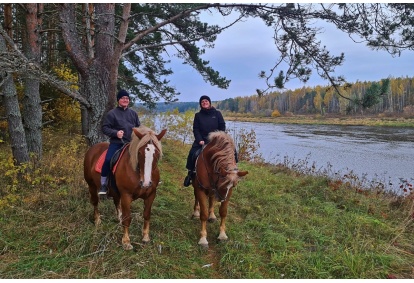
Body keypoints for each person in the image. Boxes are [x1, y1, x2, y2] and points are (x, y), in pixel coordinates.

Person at [99, 89, 141, 195]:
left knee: (145, 157)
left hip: (131, 144)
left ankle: (146, 179)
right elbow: (105, 128)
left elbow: (138, 127)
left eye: (127, 98)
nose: (125, 100)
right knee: (108, 160)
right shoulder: (112, 114)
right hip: (117, 143)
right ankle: (103, 184)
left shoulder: (133, 114)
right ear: (118, 100)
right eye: (123, 98)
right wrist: (116, 133)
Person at [183, 95, 226, 187]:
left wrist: (218, 138)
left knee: (232, 151)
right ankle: (190, 175)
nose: (204, 102)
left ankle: (232, 171)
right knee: (193, 154)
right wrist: (200, 140)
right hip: (202, 141)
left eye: (206, 101)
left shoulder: (217, 113)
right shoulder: (198, 115)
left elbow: (222, 126)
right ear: (201, 104)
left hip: (216, 141)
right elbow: (196, 129)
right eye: (202, 102)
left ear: (209, 102)